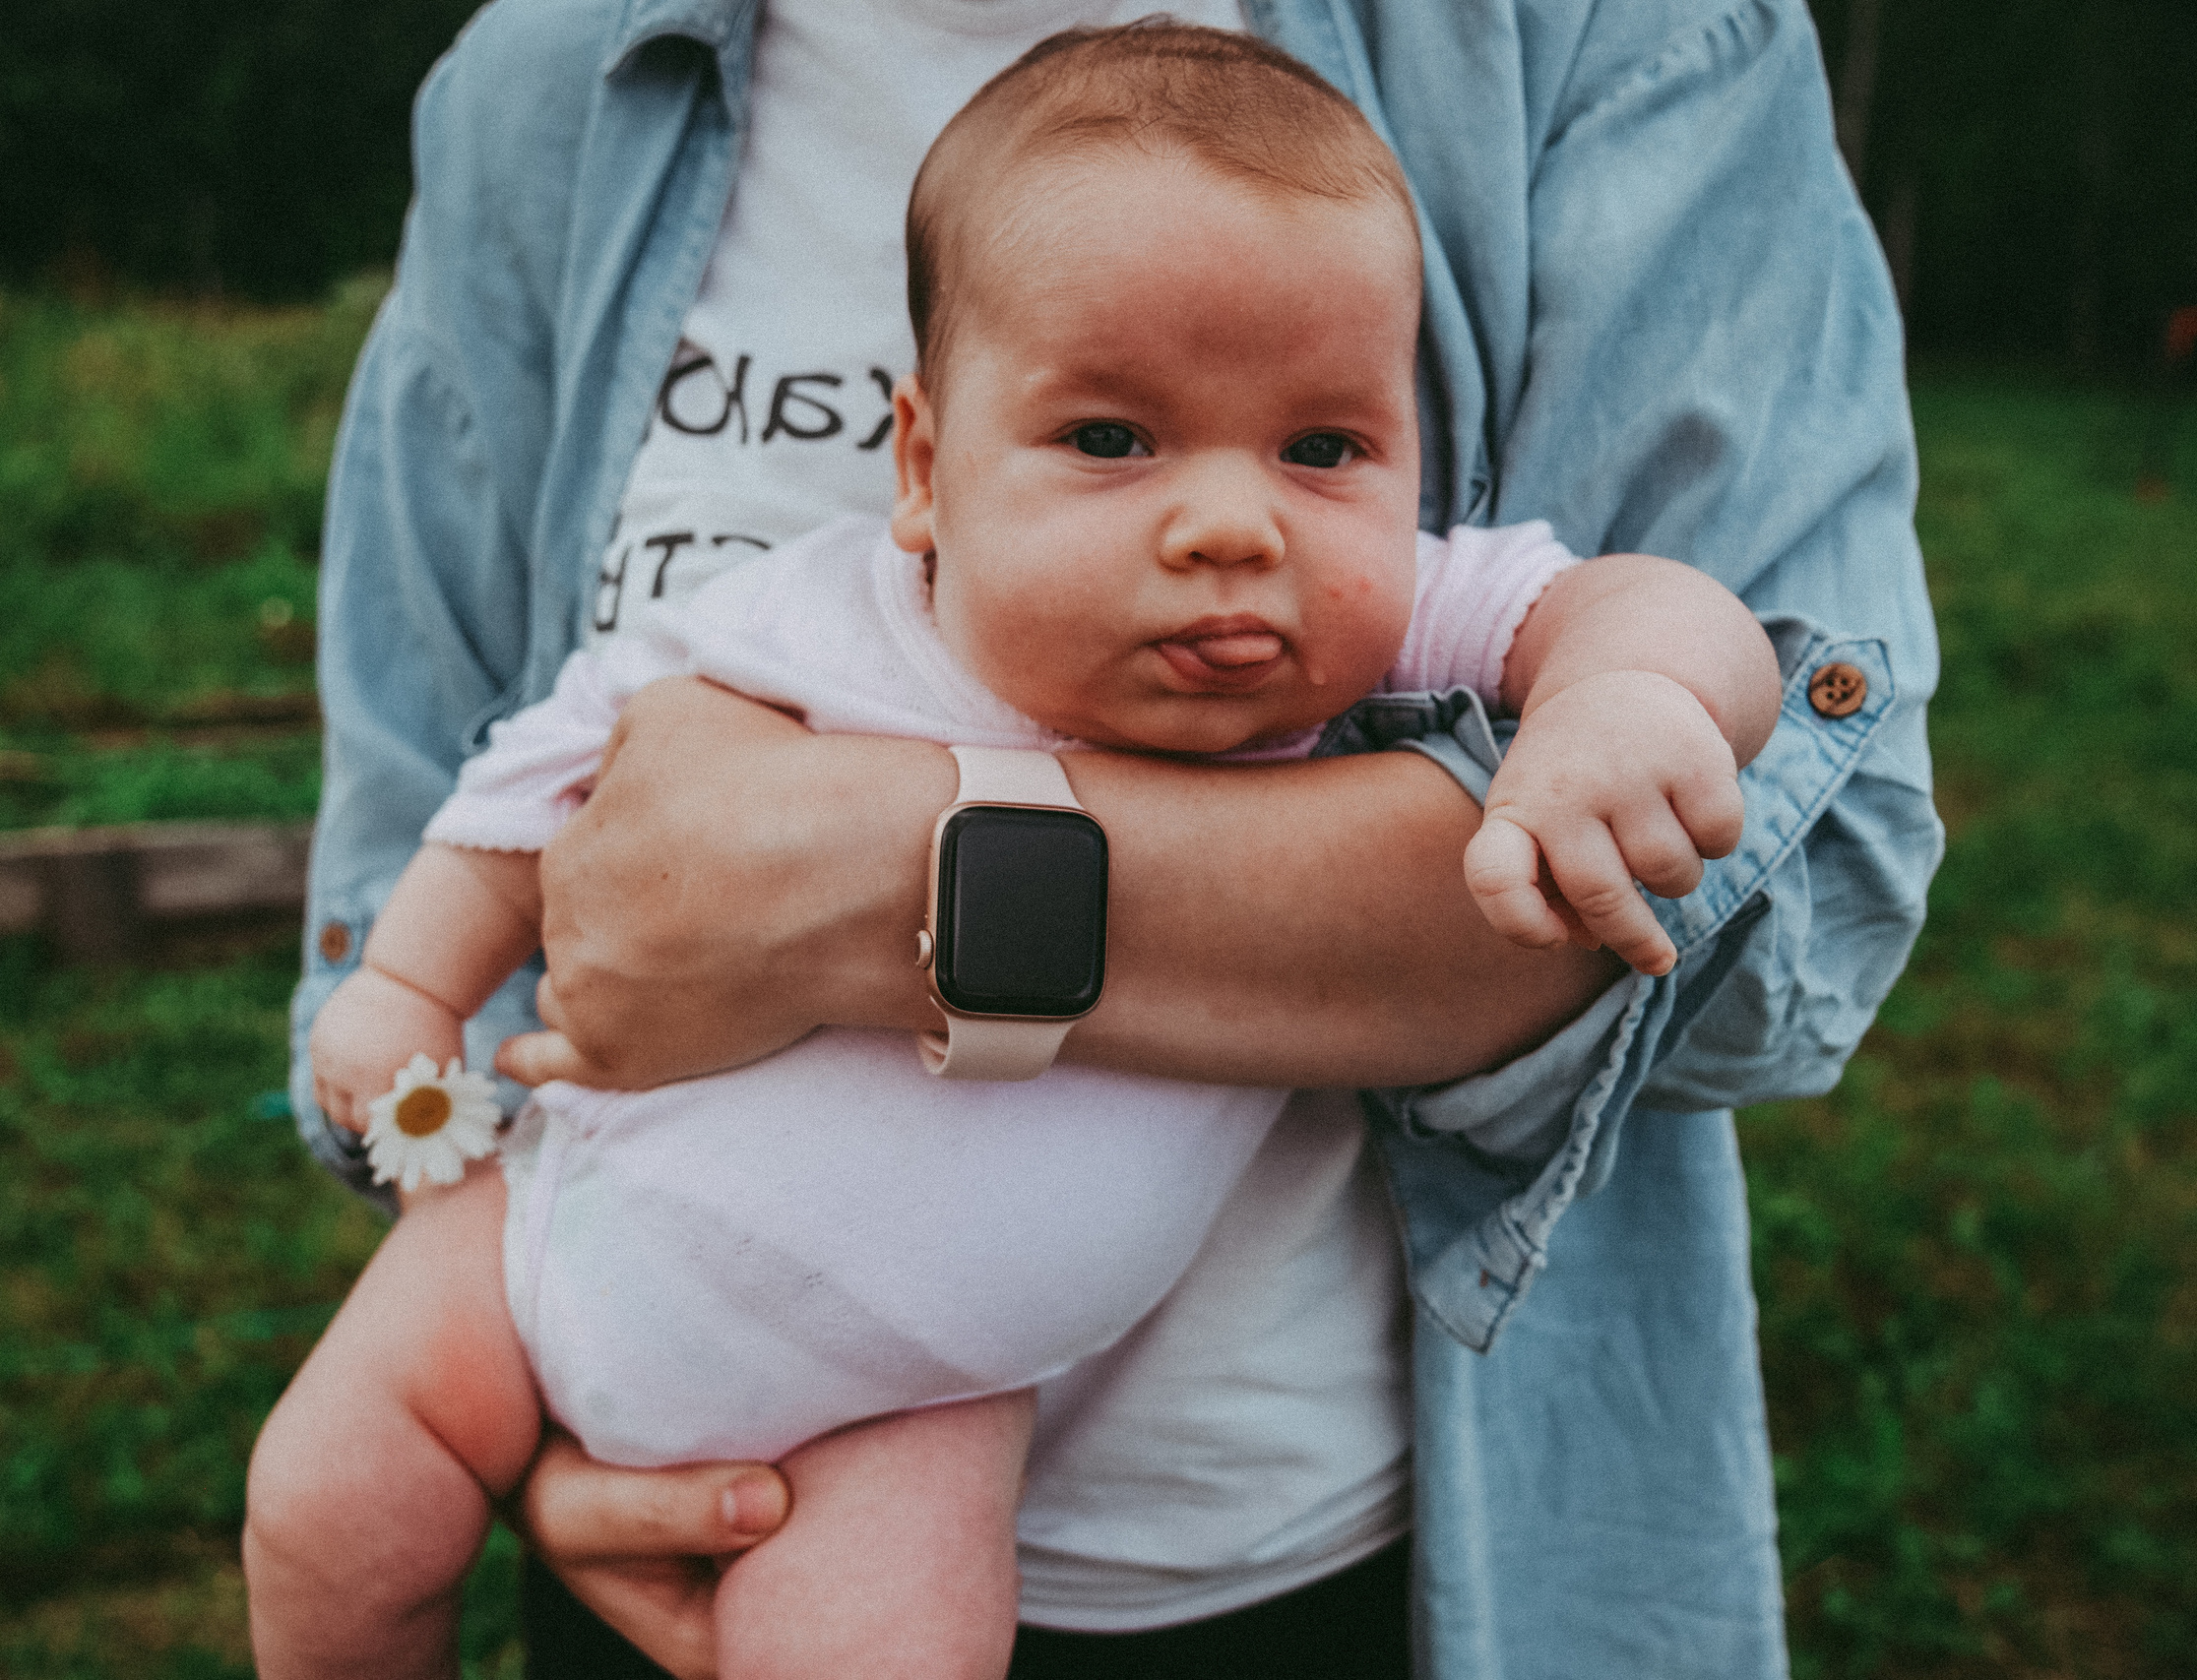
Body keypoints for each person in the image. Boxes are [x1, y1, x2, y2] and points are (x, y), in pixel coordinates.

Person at [287, 0, 1943, 1674]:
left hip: (961, 1418)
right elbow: (486, 783)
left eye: (1324, 448)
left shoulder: (1397, 554)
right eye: (1106, 440)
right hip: (563, 1268)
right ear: (918, 468)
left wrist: (1627, 702)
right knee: (328, 1509)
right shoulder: (796, 594)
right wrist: (409, 998)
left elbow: (1783, 775)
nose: (1230, 521)